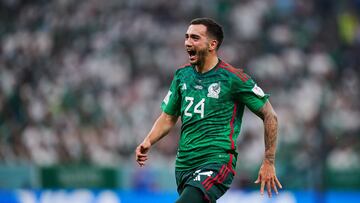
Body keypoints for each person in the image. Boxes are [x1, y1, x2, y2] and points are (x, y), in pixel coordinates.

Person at [135, 17, 282, 203]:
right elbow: (168, 117)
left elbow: (270, 115)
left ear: (212, 44)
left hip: (217, 161)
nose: (188, 42)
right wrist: (148, 140)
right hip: (184, 165)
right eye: (187, 37)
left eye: (195, 38)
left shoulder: (233, 78)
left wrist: (269, 161)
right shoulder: (182, 75)